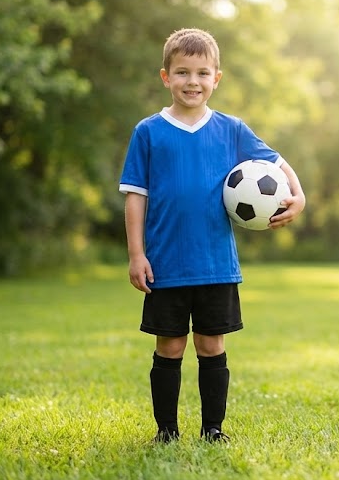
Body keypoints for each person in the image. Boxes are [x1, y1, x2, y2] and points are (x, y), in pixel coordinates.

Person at [119, 28, 306, 443]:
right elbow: (135, 197)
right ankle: (166, 431)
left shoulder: (232, 129)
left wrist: (299, 196)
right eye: (182, 72)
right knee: (168, 348)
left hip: (215, 263)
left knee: (211, 345)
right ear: (165, 76)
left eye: (203, 73)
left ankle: (213, 429)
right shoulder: (148, 132)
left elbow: (276, 161)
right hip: (165, 264)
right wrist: (137, 254)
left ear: (216, 78)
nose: (193, 81)